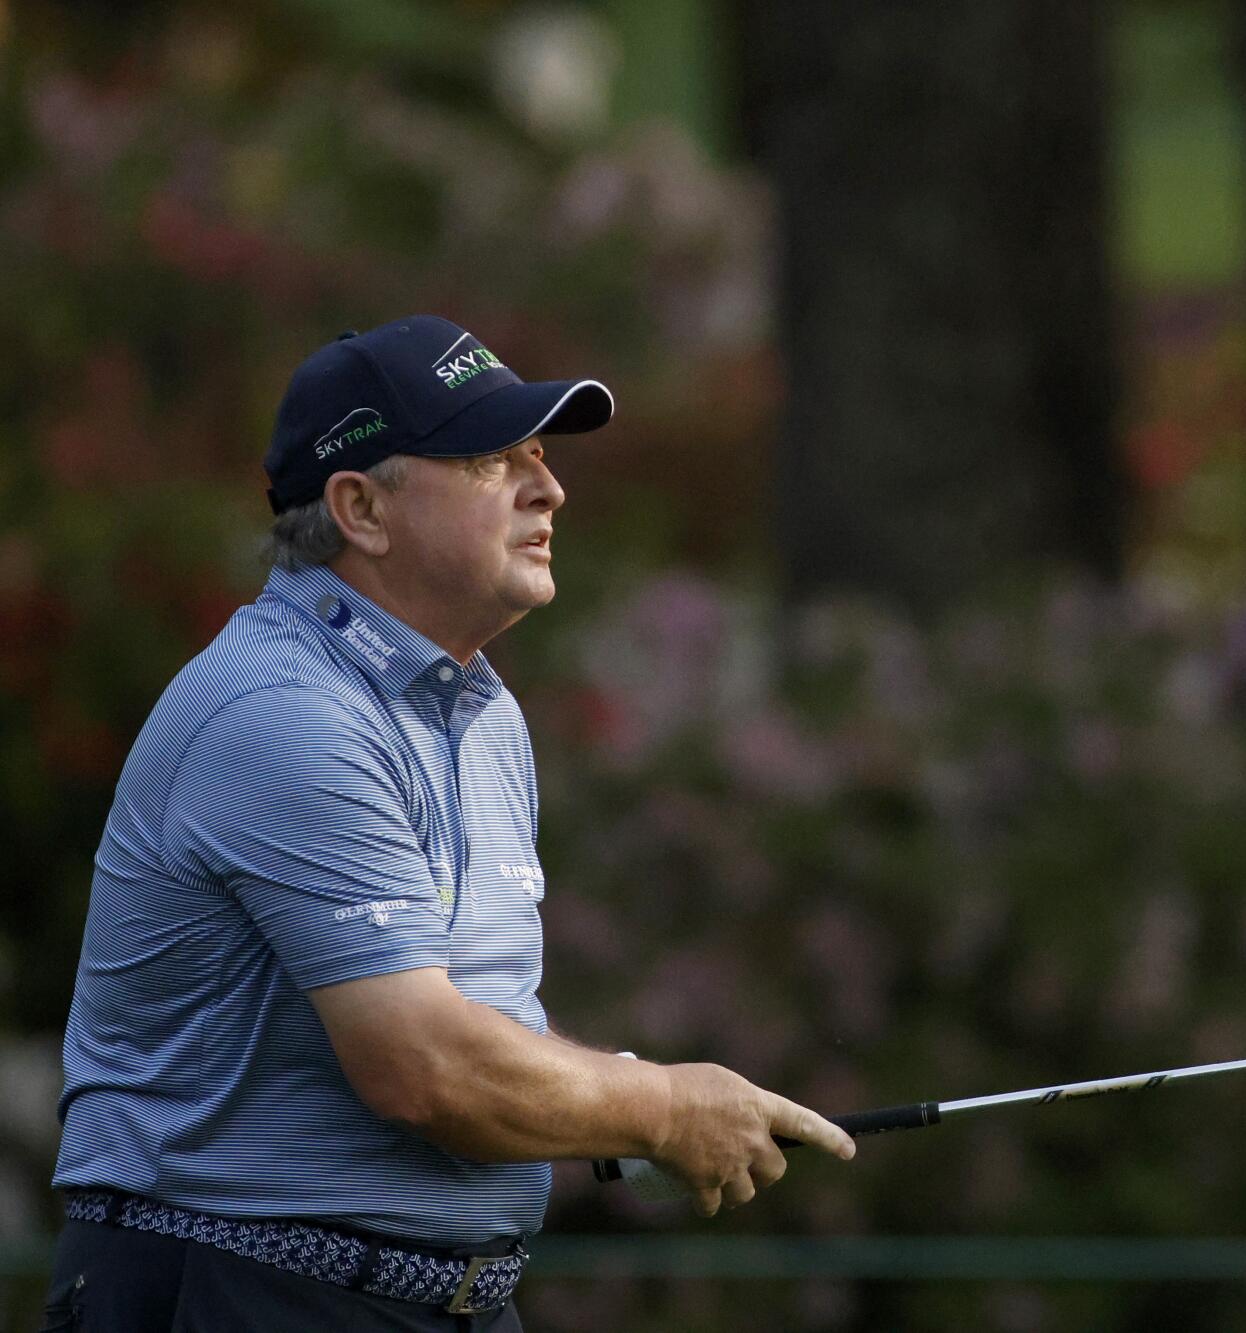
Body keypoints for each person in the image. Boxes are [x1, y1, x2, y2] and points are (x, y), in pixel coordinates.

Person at [40, 316, 854, 1331]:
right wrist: (662, 1109)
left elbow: (480, 1016)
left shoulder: (482, 714)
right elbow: (422, 1067)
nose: (547, 488)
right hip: (231, 1292)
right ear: (361, 508)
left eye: (539, 455)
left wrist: (622, 1114)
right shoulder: (282, 710)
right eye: (487, 459)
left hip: (438, 1303)